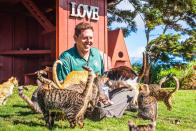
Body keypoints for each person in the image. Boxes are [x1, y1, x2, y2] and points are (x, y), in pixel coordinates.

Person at [57, 22, 136, 119]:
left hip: (100, 95)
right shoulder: (66, 57)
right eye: (85, 38)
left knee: (129, 91)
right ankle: (100, 111)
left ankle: (103, 111)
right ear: (75, 38)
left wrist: (105, 94)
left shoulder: (98, 54)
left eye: (91, 38)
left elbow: (103, 81)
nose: (88, 41)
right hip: (79, 98)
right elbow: (62, 86)